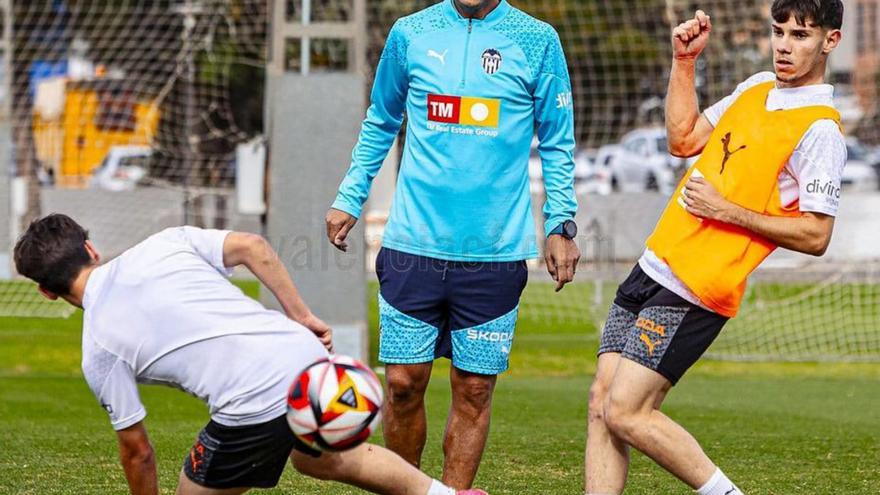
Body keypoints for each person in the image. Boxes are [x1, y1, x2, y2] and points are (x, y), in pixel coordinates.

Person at [13, 214, 488, 495]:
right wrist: (301, 315)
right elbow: (252, 246)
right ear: (91, 249)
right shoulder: (163, 244)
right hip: (306, 359)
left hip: (252, 407)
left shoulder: (98, 348)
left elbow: (138, 453)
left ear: (46, 292)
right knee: (319, 459)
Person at [584, 1, 845, 494]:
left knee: (626, 411)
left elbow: (816, 235)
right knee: (601, 401)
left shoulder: (821, 130)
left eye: (801, 35)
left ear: (829, 42)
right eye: (779, 31)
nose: (785, 45)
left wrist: (728, 211)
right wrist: (684, 64)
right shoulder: (756, 88)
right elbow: (683, 139)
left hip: (697, 287)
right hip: (654, 264)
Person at [325, 0, 580, 489]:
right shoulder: (410, 33)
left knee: (475, 389)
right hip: (413, 245)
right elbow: (381, 119)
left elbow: (557, 138)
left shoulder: (538, 40)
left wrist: (560, 221)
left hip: (495, 252)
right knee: (401, 386)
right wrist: (350, 195)